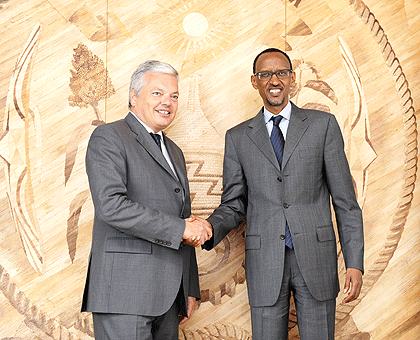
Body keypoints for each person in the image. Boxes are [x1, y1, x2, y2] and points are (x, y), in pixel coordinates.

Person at [195, 48, 364, 339]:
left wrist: (354, 262)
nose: (274, 80)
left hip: (317, 258)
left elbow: (346, 202)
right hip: (265, 263)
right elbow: (234, 204)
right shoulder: (237, 137)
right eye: (265, 74)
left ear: (292, 78)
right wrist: (210, 227)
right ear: (254, 82)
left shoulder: (322, 126)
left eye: (282, 72)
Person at [81, 60, 212, 340]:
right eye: (157, 93)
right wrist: (182, 229)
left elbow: (183, 216)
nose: (167, 102)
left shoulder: (173, 151)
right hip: (124, 293)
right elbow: (111, 206)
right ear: (133, 96)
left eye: (174, 96)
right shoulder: (109, 137)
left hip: (168, 296)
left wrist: (188, 287)